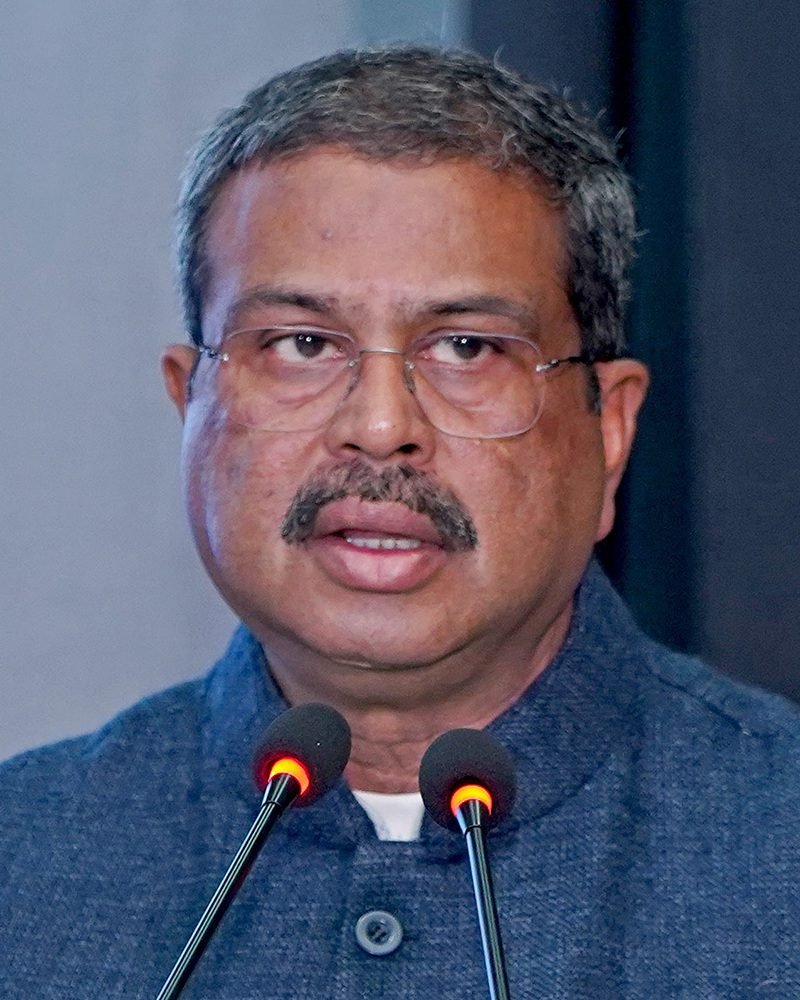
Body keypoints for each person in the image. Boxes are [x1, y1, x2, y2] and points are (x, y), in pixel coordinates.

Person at [1, 46, 798, 999]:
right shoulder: (26, 862)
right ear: (190, 403)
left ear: (611, 431)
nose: (379, 429)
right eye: (301, 343)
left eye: (466, 347)